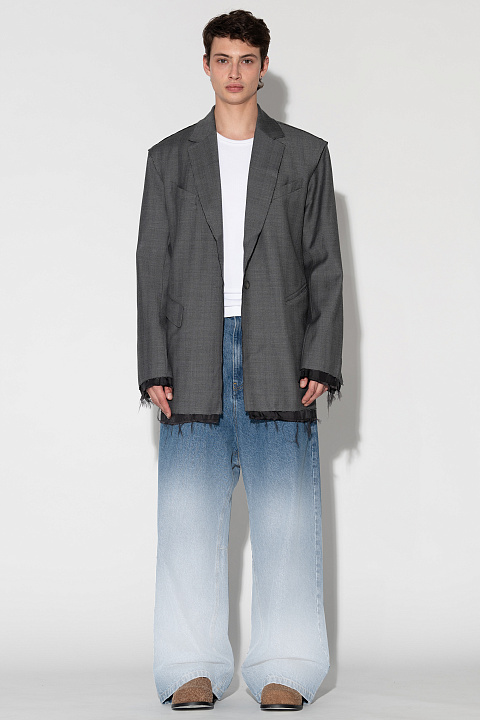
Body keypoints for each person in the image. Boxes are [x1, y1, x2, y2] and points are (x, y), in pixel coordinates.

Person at [136, 9, 343, 711]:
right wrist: (154, 365)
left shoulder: (306, 155)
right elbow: (151, 267)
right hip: (192, 355)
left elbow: (325, 266)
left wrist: (321, 358)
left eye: (246, 59)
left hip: (279, 355)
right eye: (222, 59)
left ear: (263, 67)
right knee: (188, 522)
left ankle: (287, 665)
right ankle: (189, 666)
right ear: (206, 66)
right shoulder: (169, 159)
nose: (234, 72)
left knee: (286, 520)